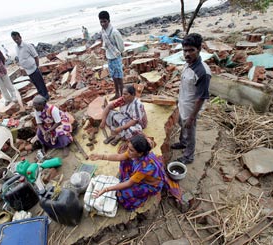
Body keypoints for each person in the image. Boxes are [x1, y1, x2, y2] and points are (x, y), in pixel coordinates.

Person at [89, 134, 182, 211]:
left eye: (131, 150)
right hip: (141, 175)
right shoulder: (139, 152)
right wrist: (101, 156)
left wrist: (106, 189)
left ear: (140, 153)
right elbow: (119, 157)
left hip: (151, 185)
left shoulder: (144, 168)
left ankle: (135, 204)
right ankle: (127, 178)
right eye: (129, 148)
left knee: (123, 192)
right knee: (124, 160)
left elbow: (129, 183)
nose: (128, 151)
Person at [171, 33, 211, 164]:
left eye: (191, 50)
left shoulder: (202, 72)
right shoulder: (188, 64)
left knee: (190, 131)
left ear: (199, 49)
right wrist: (179, 101)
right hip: (183, 103)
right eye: (185, 50)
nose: (187, 54)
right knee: (182, 126)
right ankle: (183, 143)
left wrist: (192, 117)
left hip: (191, 109)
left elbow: (201, 98)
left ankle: (188, 156)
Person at [11, 31, 49, 100]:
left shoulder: (27, 46)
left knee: (41, 84)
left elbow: (36, 56)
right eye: (14, 40)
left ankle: (46, 96)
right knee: (36, 85)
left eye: (17, 39)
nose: (16, 41)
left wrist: (37, 66)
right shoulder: (16, 48)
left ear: (20, 37)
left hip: (34, 68)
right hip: (28, 70)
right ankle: (41, 97)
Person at [98, 11, 124, 101]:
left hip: (116, 57)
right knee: (113, 77)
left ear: (108, 20)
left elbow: (121, 46)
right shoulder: (103, 31)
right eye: (101, 22)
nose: (103, 24)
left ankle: (122, 95)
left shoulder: (114, 32)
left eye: (104, 21)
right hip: (109, 57)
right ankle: (117, 94)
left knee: (119, 77)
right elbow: (105, 44)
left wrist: (116, 53)